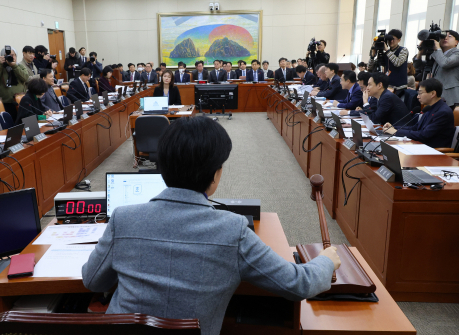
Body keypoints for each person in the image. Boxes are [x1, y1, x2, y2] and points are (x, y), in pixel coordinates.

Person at [81, 116, 339, 335]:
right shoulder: (233, 229)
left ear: (162, 169)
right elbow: (298, 284)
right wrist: (327, 259)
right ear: (216, 175)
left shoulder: (123, 218)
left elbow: (93, 281)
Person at [382, 79, 454, 148]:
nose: (417, 96)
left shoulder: (443, 112)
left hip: (433, 151)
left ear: (433, 94)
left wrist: (395, 132)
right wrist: (394, 127)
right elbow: (416, 128)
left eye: (420, 93)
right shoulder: (430, 107)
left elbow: (424, 135)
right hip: (421, 146)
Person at [414, 31, 459, 107]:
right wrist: (420, 51)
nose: (445, 38)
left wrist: (437, 49)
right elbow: (418, 66)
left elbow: (445, 63)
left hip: (452, 98)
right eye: (443, 37)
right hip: (438, 97)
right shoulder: (437, 55)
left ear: (456, 42)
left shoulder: (458, 53)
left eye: (450, 36)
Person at [0, 46, 30, 120]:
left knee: (24, 121)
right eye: (8, 55)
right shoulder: (0, 67)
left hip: (21, 101)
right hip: (7, 103)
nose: (11, 57)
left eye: (13, 55)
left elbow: (25, 78)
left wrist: (14, 66)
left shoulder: (20, 66)